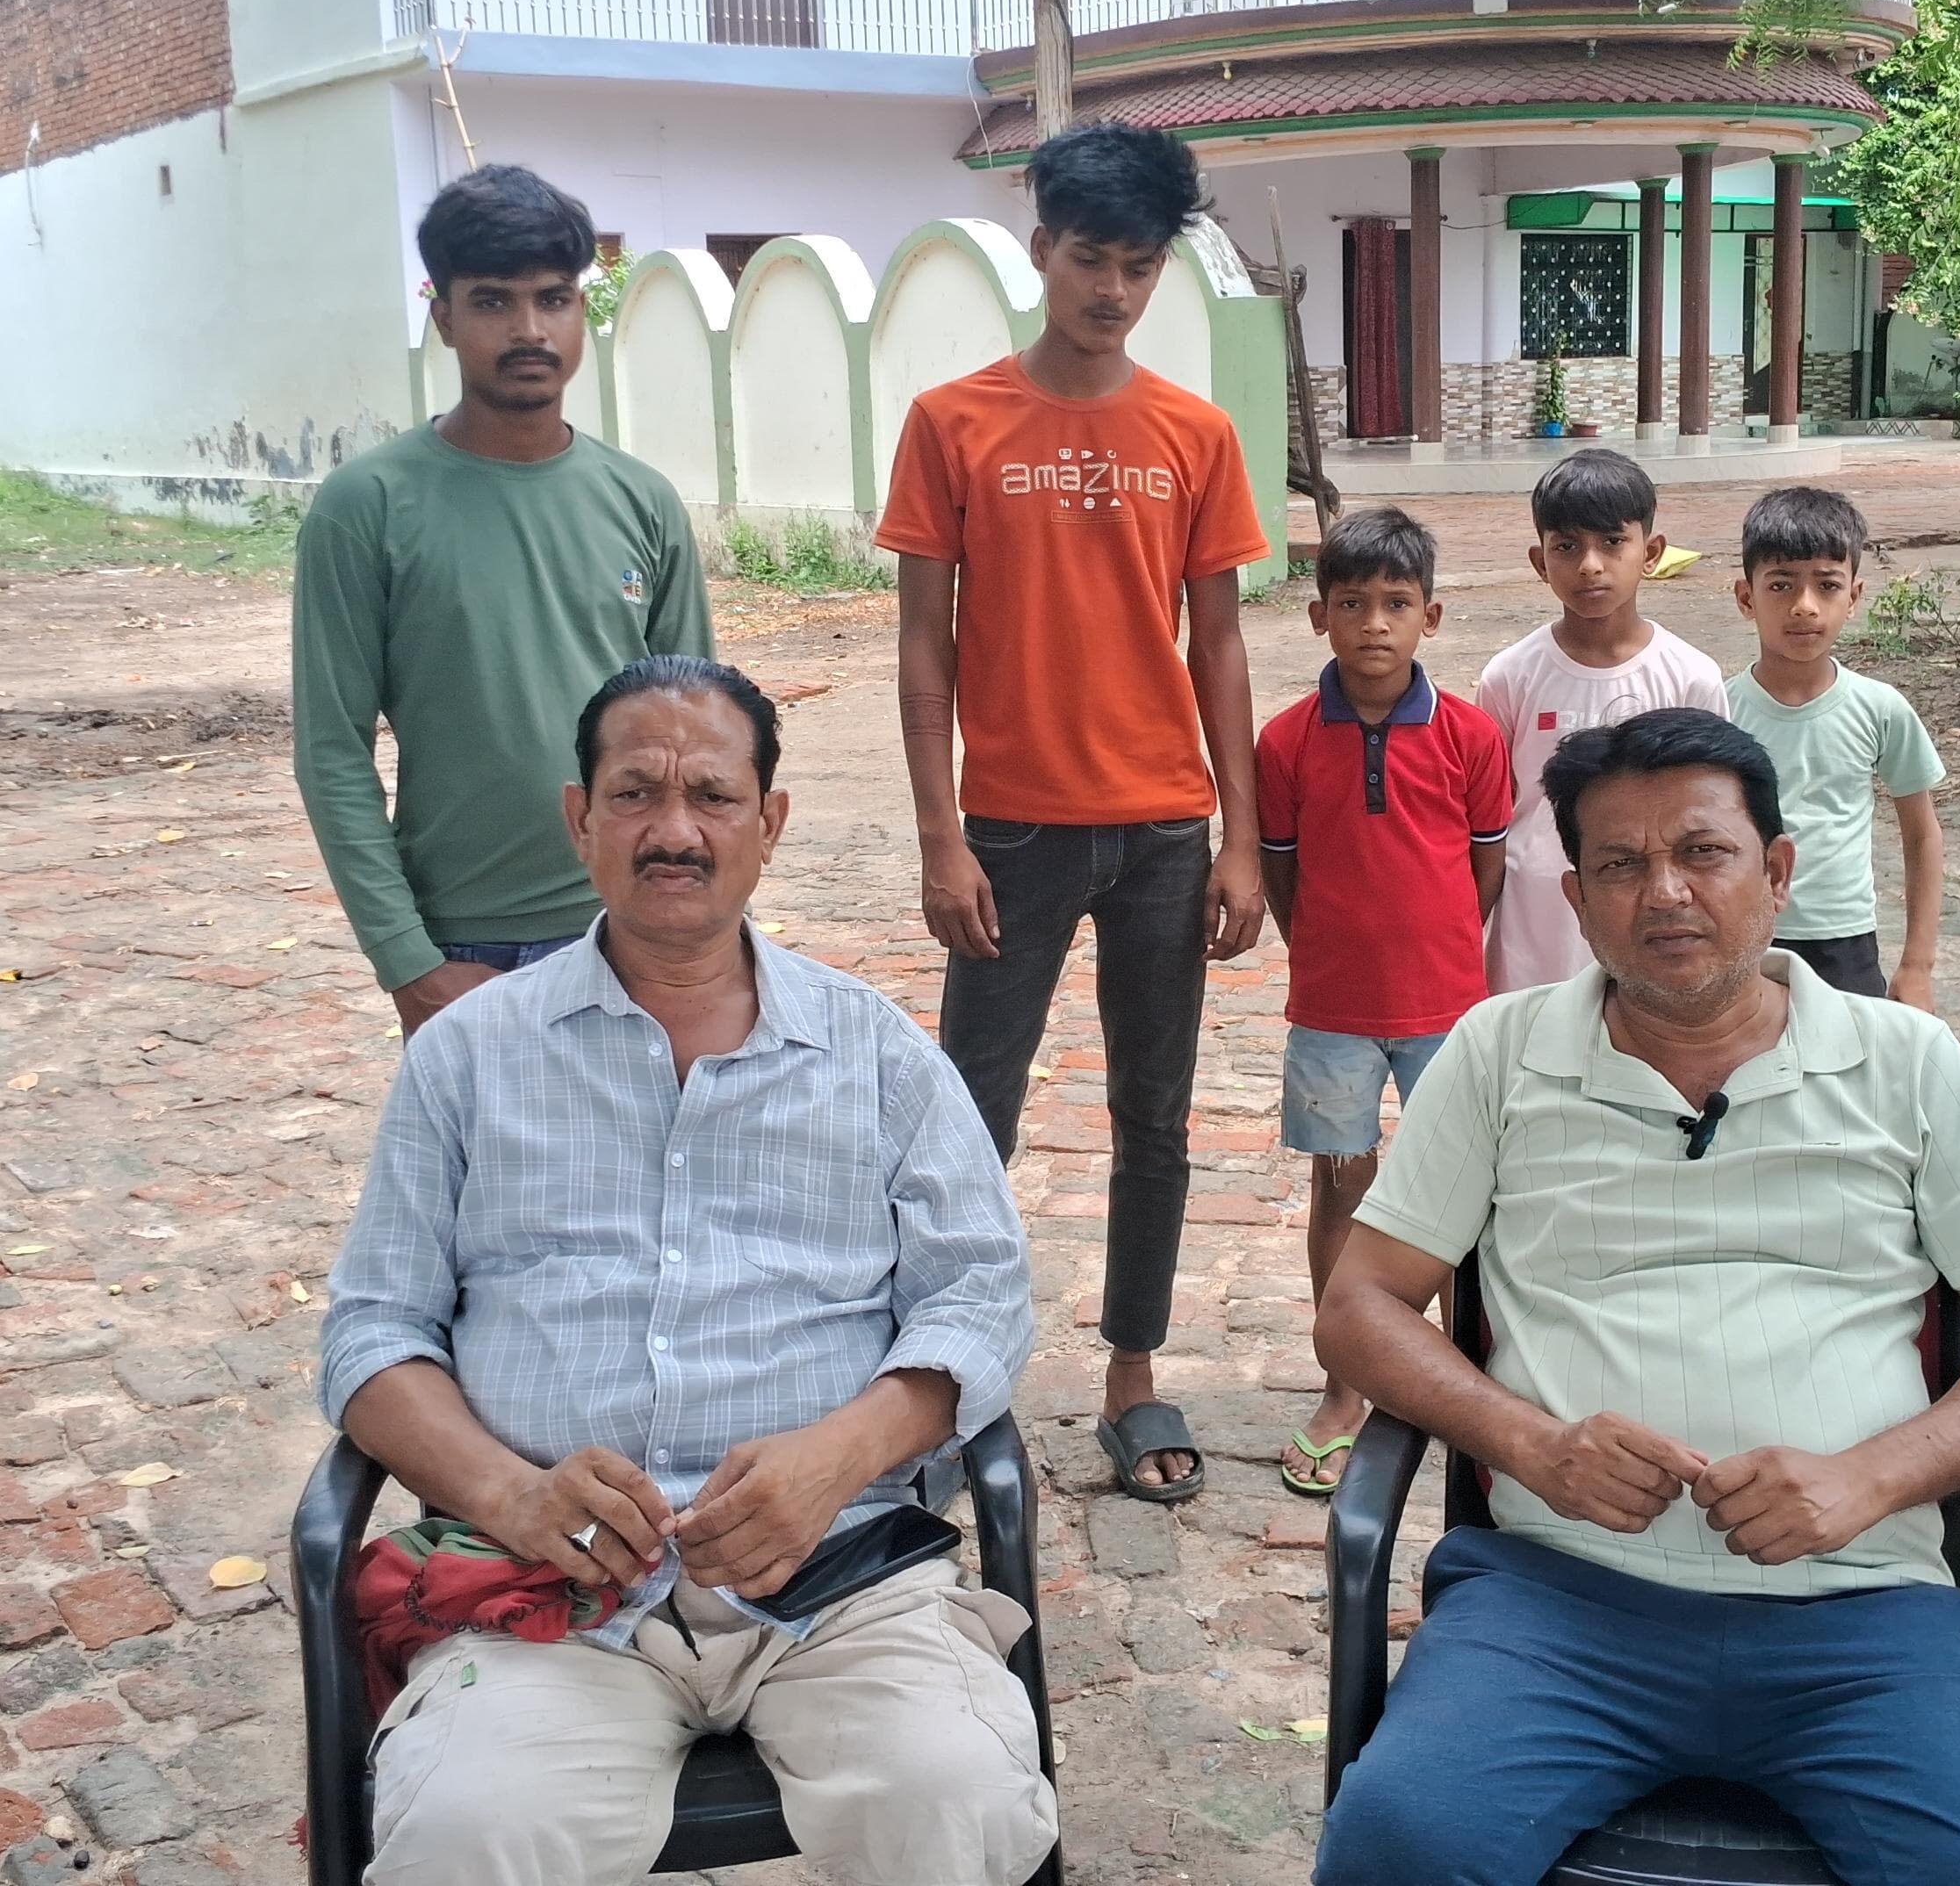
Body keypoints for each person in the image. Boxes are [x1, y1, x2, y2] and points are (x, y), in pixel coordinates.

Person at [1311, 709, 1960, 1886]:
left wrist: (1867, 1478)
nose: (1665, 893)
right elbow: (1358, 1308)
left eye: (1702, 852)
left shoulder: (1904, 1064)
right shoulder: (1497, 1053)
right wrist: (1531, 1446)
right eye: (1620, 865)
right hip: (1556, 1611)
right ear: (1575, 901)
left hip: (1867, 1624)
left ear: (1776, 872)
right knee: (1399, 1842)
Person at [319, 655, 1054, 1886]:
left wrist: (840, 1456)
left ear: (769, 823)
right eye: (635, 794)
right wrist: (509, 1495)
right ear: (580, 818)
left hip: (836, 1576)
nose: (674, 831)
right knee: (463, 1830)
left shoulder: (875, 1052)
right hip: (554, 1593)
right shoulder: (467, 1057)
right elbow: (372, 1333)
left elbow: (979, 1295)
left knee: (956, 1796)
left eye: (712, 795)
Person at [879, 121, 1268, 1504]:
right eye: (1090, 258)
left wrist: (1239, 837)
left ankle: (1131, 1374)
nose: (1112, 290)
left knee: (1154, 1115)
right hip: (1012, 832)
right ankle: (943, 1379)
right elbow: (922, 642)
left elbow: (1219, 642)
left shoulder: (1193, 433)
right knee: (966, 1116)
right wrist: (939, 835)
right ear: (1040, 249)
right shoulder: (954, 424)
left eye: (1139, 266)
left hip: (1162, 831)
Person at [292, 166, 713, 1036]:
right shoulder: (367, 507)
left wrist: (697, 930)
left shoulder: (641, 502)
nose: (529, 330)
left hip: (632, 928)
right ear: (444, 315)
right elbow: (332, 751)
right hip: (465, 944)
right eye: (492, 301)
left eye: (552, 298)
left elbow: (699, 737)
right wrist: (409, 963)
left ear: (580, 310)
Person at [1256, 507, 1511, 1495]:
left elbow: (1483, 868)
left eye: (1396, 603)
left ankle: (1459, 1378)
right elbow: (1283, 876)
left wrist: (1435, 954)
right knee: (1341, 1188)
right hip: (1331, 1012)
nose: (1373, 623)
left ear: (1430, 616)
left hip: (1448, 1009)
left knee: (1461, 1195)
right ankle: (1345, 1385)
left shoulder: (1469, 736)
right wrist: (1328, 956)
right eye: (1352, 603)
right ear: (1318, 615)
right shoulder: (1284, 742)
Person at [1476, 447, 1725, 994]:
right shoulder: (1509, 678)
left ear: (1651, 553)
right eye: (1567, 547)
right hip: (1533, 917)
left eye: (1612, 542)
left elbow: (1709, 810)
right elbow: (1489, 811)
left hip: (1652, 907)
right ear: (1540, 561)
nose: (1590, 564)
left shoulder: (1691, 678)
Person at [1726, 487, 1945, 1006]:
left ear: (1854, 597)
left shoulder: (1880, 709)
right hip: (1740, 934)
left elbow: (1922, 835)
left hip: (1844, 941)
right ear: (1746, 597)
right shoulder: (1719, 709)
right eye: (1781, 585)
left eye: (1827, 585)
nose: (1804, 606)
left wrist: (1917, 965)